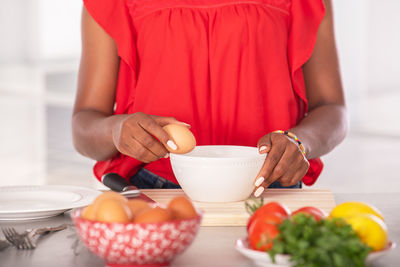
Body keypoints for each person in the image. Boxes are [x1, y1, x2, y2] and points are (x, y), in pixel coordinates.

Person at [72, 0, 347, 197]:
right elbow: (84, 125)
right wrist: (117, 130)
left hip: (270, 189)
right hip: (152, 193)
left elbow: (332, 109)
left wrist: (299, 142)